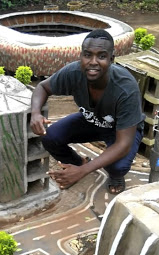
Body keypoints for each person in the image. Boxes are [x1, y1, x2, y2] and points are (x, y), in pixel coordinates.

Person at [30, 29, 144, 194]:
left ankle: (115, 176)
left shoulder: (126, 88)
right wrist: (35, 113)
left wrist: (84, 173)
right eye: (88, 55)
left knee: (117, 165)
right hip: (92, 120)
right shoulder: (73, 73)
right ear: (81, 56)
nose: (93, 62)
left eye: (102, 56)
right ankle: (78, 163)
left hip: (122, 129)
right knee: (50, 137)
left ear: (111, 59)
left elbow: (123, 144)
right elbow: (42, 87)